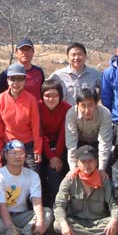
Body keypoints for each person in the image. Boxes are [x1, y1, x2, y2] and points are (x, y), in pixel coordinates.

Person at [0, 140, 54, 235]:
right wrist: (10, 227)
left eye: (21, 153)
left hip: (22, 215)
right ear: (6, 155)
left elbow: (36, 200)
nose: (18, 157)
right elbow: (1, 205)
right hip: (2, 216)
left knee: (46, 213)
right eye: (14, 153)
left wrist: (40, 221)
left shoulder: (32, 175)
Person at [53, 145, 118, 235]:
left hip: (98, 221)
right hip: (76, 221)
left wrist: (114, 220)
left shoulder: (104, 179)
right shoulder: (70, 180)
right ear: (77, 162)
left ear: (96, 162)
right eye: (83, 161)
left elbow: (113, 204)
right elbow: (59, 205)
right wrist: (64, 224)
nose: (87, 165)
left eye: (90, 161)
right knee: (58, 224)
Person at [0, 63, 43, 174]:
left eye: (20, 79)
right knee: (9, 178)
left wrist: (37, 150)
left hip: (28, 146)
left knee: (32, 176)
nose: (16, 83)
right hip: (8, 145)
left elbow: (36, 127)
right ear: (7, 80)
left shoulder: (31, 100)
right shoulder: (0, 100)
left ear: (25, 80)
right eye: (13, 79)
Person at [38, 78, 72, 208]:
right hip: (43, 145)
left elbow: (64, 133)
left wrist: (56, 156)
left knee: (55, 171)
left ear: (60, 96)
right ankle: (42, 205)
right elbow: (40, 133)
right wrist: (51, 156)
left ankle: (58, 205)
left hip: (60, 145)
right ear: (42, 96)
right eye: (47, 96)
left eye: (55, 95)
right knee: (39, 170)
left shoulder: (66, 108)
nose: (51, 99)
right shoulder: (37, 107)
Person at [65, 87, 113, 177]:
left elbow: (104, 143)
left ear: (96, 104)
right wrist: (73, 169)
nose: (87, 110)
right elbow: (71, 143)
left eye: (90, 105)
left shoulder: (105, 114)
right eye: (83, 106)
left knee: (108, 165)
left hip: (97, 143)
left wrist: (102, 169)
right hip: (79, 143)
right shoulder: (71, 114)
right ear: (77, 105)